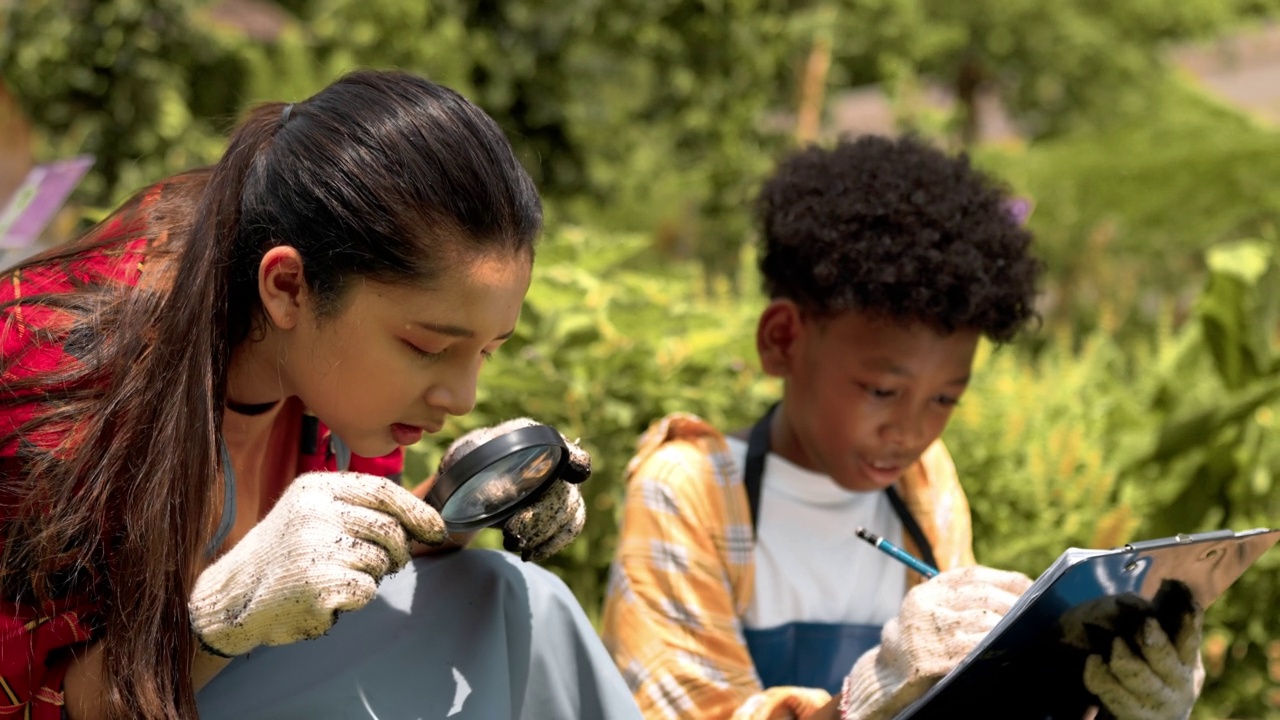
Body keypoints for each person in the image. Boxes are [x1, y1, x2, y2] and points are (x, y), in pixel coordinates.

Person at [0, 70, 640, 720]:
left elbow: (330, 575)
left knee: (516, 601)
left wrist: (448, 509)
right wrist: (218, 622)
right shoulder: (53, 381)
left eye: (487, 350)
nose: (463, 397)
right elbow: (34, 701)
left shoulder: (324, 380)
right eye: (425, 347)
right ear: (287, 287)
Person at [599, 135, 1204, 720]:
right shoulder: (687, 487)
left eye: (944, 399)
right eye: (883, 391)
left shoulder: (924, 479)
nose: (912, 432)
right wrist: (862, 699)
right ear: (783, 339)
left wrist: (1100, 693)